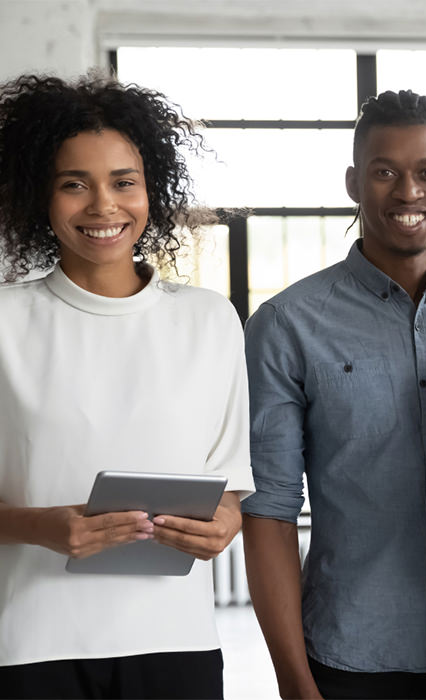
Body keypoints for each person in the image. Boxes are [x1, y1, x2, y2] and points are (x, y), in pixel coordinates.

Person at [240, 89, 426, 700]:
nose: (408, 191)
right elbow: (269, 513)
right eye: (384, 172)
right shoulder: (286, 325)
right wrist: (294, 682)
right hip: (347, 660)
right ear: (352, 183)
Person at [0, 73, 252, 698]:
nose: (103, 206)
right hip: (30, 645)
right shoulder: (5, 321)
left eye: (123, 182)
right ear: (41, 196)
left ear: (151, 190)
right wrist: (41, 528)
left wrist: (226, 521)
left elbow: (231, 485)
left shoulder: (209, 319)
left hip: (179, 644)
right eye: (73, 184)